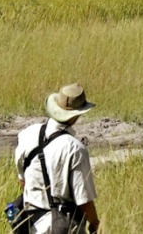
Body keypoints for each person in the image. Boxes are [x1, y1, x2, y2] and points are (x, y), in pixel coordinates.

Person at [14, 83, 100, 234]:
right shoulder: (75, 148)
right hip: (62, 226)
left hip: (30, 225)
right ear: (77, 114)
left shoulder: (27, 134)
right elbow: (84, 200)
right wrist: (95, 223)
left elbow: (22, 181)